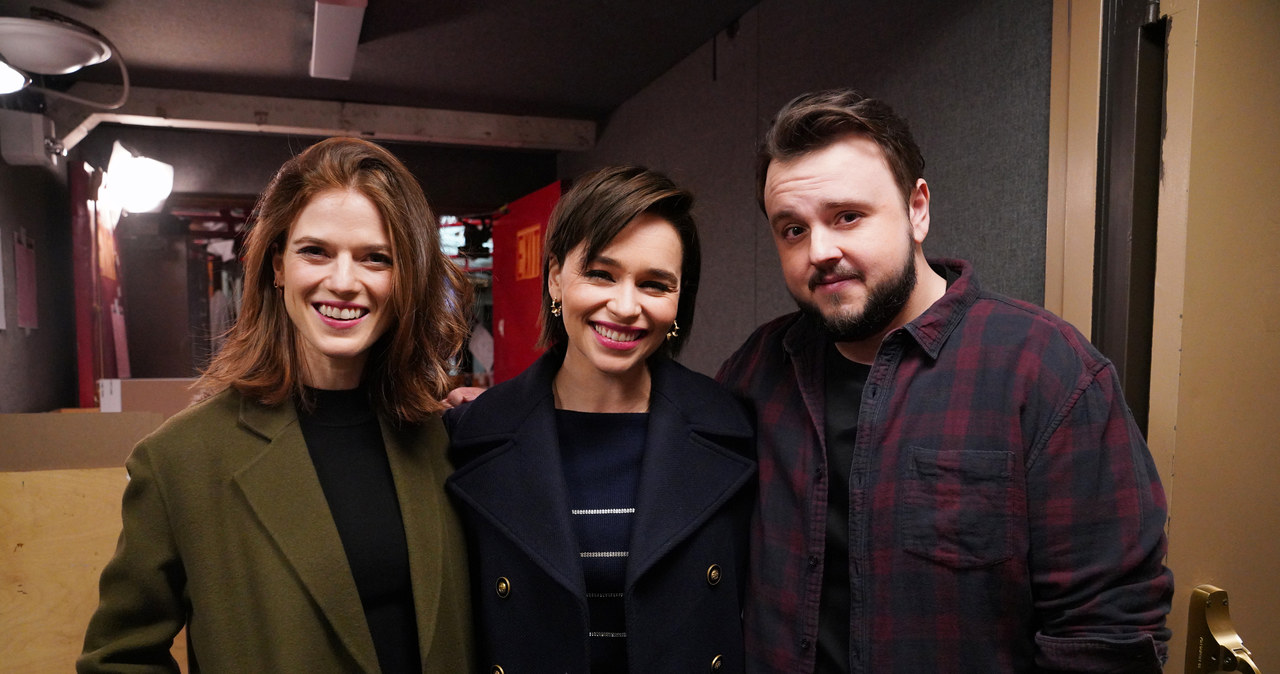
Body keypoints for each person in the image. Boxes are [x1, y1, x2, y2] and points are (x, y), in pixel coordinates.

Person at [715, 89, 1174, 673]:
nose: (820, 251)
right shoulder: (755, 371)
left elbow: (1108, 630)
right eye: (792, 230)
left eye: (847, 216)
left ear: (917, 209)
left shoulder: (1046, 371)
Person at [78, 137, 475, 673]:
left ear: (406, 279)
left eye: (376, 258)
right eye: (315, 251)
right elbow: (118, 659)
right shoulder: (181, 461)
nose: (342, 282)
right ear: (276, 265)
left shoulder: (448, 438)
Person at [445, 165, 756, 673]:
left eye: (655, 284)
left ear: (679, 302)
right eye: (600, 274)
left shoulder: (734, 431)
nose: (625, 306)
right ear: (555, 279)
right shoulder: (471, 435)